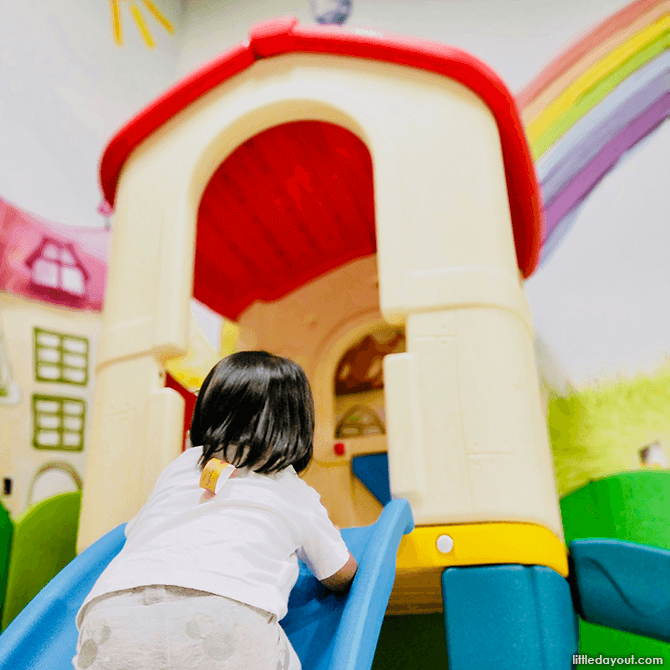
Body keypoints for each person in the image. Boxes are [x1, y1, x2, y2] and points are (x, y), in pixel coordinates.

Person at [73, 351, 357, 670]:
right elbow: (339, 573)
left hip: (111, 614)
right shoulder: (295, 493)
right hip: (224, 621)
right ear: (297, 428)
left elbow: (134, 532)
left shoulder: (180, 467)